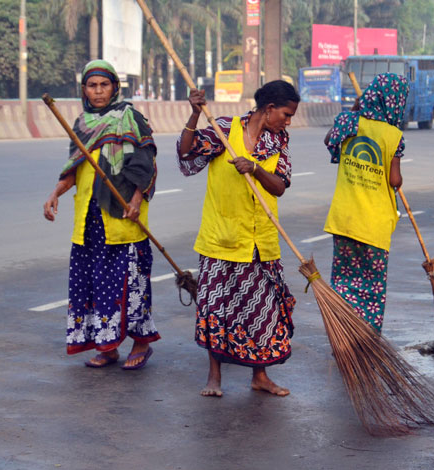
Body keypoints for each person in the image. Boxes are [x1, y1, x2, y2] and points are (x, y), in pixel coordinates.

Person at [177, 80, 300, 397]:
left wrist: (255, 168)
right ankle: (214, 377)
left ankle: (260, 376)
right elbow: (187, 152)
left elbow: (279, 186)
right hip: (222, 239)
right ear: (269, 108)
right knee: (216, 310)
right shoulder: (223, 130)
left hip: (261, 242)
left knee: (263, 311)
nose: (288, 121)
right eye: (286, 114)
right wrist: (193, 115)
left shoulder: (278, 140)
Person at [43, 60, 159, 369]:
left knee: (129, 284)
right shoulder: (81, 124)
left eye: (103, 85)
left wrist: (135, 200)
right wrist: (55, 194)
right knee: (96, 285)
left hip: (122, 219)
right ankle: (107, 346)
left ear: (114, 88)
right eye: (92, 86)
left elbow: (145, 164)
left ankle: (141, 343)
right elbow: (74, 169)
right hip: (90, 221)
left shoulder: (129, 118)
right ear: (83, 90)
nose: (98, 92)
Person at [322, 73, 408, 334]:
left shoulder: (348, 122)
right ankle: (366, 335)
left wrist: (354, 110)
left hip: (345, 220)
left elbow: (329, 140)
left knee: (344, 281)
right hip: (375, 226)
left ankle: (343, 333)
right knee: (371, 285)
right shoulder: (394, 136)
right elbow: (394, 180)